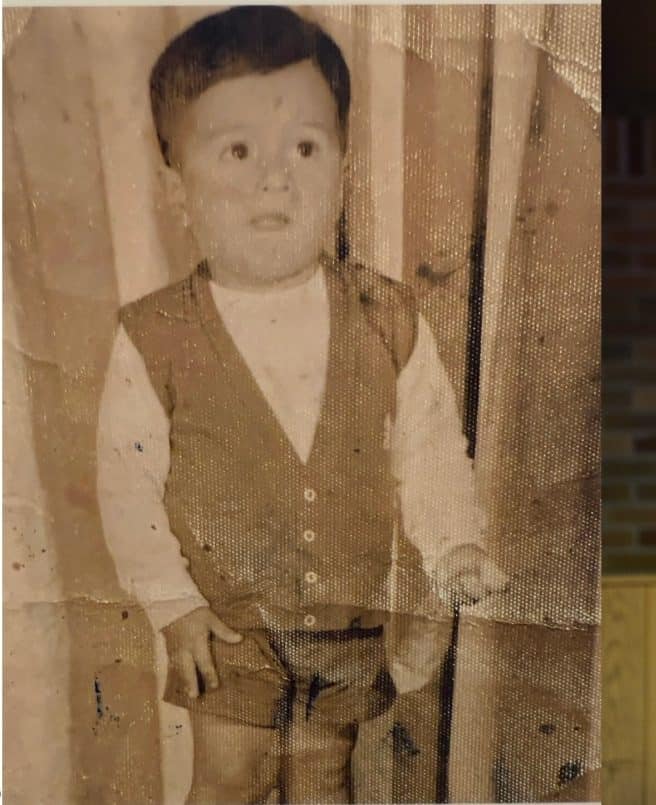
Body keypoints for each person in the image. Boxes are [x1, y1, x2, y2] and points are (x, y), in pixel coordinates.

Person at [95, 7, 506, 802]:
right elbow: (126, 481)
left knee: (324, 776)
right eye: (238, 150)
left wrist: (453, 543)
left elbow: (426, 448)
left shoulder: (386, 316)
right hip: (226, 626)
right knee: (229, 777)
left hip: (346, 624)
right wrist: (172, 602)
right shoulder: (155, 334)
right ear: (176, 187)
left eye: (306, 148)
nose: (274, 177)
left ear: (344, 173)